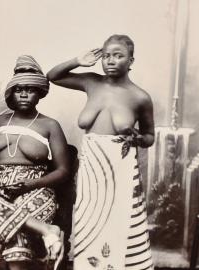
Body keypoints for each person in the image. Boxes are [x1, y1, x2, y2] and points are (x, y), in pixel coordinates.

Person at [47, 35, 155, 270]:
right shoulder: (91, 82)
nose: (110, 61)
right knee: (90, 222)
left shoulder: (140, 97)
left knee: (120, 223)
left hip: (121, 168)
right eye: (106, 56)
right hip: (91, 169)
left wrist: (137, 138)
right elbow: (52, 76)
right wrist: (78, 60)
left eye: (118, 55)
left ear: (131, 60)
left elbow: (150, 137)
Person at [0, 55, 69, 270]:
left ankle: (29, 245)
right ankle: (47, 230)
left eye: (30, 89)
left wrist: (30, 185)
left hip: (36, 189)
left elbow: (64, 170)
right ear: (12, 92)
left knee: (17, 226)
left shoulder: (49, 125)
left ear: (39, 93)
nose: (24, 94)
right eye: (19, 89)